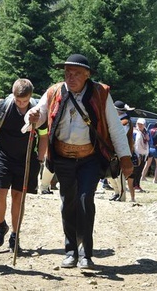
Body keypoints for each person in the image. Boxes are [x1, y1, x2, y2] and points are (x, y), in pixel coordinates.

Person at [26, 54, 133, 270]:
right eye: (67, 73)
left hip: (89, 158)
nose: (70, 77)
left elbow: (114, 128)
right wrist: (33, 115)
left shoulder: (101, 93)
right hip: (62, 157)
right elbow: (39, 116)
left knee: (86, 200)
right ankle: (71, 251)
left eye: (76, 73)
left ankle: (86, 254)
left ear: (87, 75)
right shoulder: (55, 91)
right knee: (68, 203)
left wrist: (125, 158)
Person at [0, 78, 48, 251]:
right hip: (3, 156)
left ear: (30, 97)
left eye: (24, 101)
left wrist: (40, 160)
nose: (21, 104)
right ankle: (0, 225)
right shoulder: (4, 108)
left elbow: (44, 137)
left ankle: (15, 235)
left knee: (18, 197)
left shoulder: (37, 111)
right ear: (13, 95)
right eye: (18, 100)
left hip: (25, 160)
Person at [110, 100, 136, 202]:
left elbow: (120, 136)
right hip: (114, 149)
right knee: (110, 173)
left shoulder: (125, 122)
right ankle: (117, 192)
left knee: (120, 173)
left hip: (122, 150)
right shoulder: (119, 120)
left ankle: (122, 195)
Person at [132, 118, 149, 193]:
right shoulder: (134, 132)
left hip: (144, 153)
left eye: (141, 124)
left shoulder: (146, 133)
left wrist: (148, 139)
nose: (140, 125)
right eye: (138, 124)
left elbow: (149, 142)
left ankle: (137, 184)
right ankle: (133, 185)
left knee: (140, 170)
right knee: (135, 170)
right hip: (136, 153)